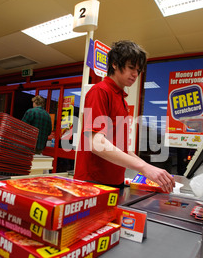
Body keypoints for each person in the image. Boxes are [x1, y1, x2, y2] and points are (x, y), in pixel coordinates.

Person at [74, 40, 175, 193]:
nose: (135, 74)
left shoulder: (121, 99)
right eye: (131, 68)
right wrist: (144, 167)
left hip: (114, 181)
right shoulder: (99, 91)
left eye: (138, 70)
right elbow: (96, 144)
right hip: (93, 182)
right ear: (114, 64)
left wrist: (149, 169)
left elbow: (122, 148)